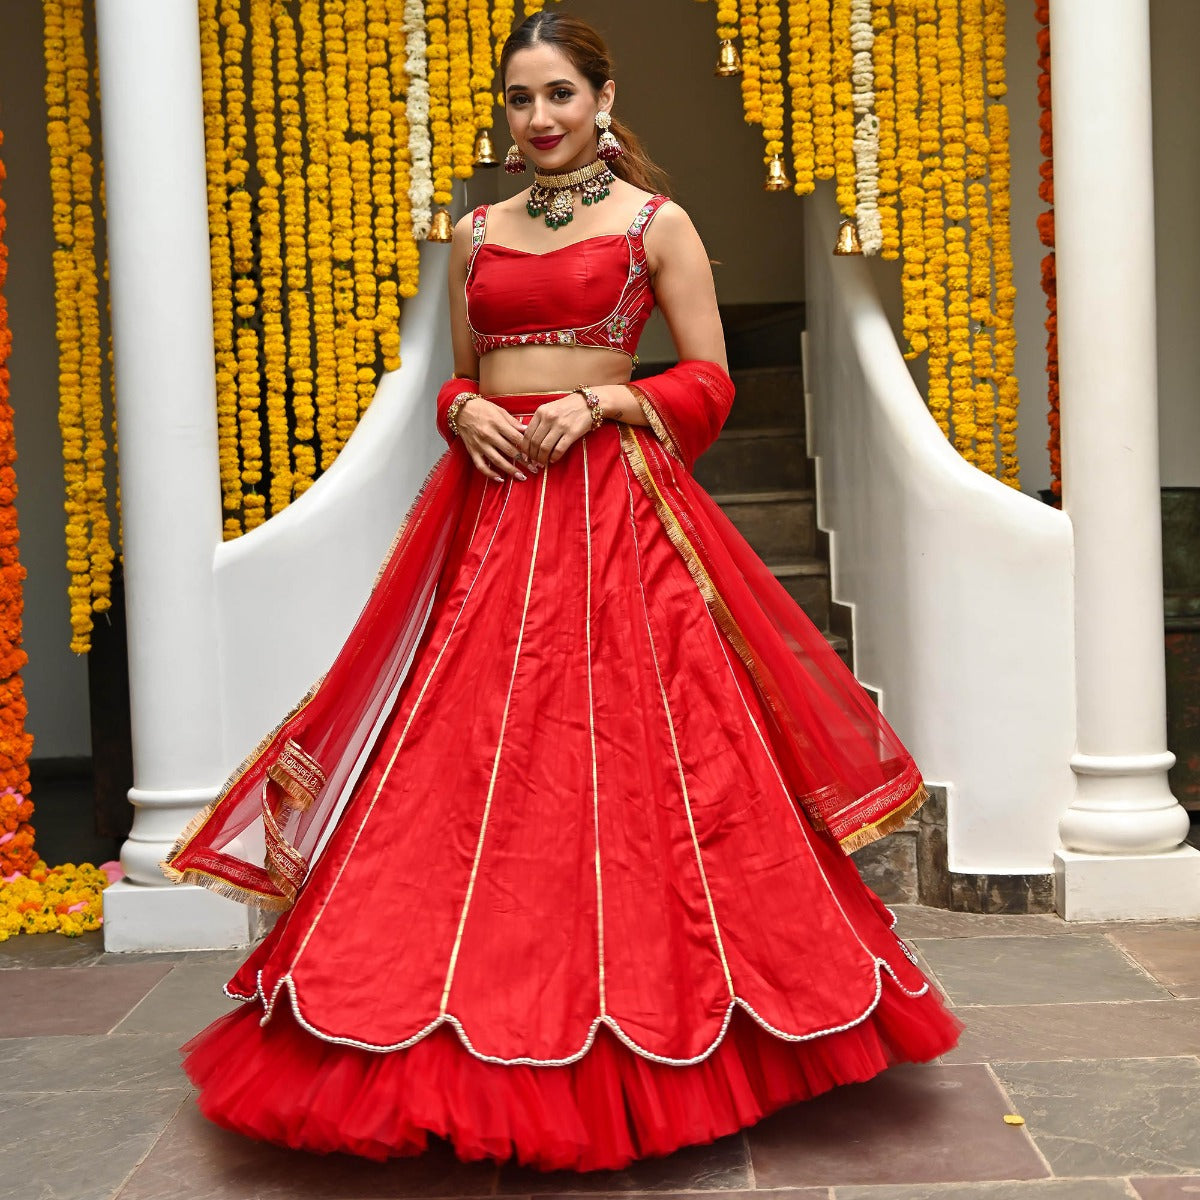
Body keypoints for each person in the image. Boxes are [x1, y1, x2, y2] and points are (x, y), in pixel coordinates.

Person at [162, 11, 963, 1173]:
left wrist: (604, 403)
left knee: (636, 757)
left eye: (560, 96)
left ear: (602, 96)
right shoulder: (477, 230)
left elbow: (710, 378)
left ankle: (677, 1025)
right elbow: (455, 375)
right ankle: (451, 1009)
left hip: (611, 506)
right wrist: (464, 411)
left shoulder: (655, 222)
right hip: (495, 511)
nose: (539, 118)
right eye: (521, 99)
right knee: (470, 754)